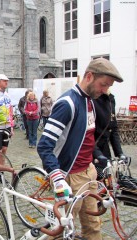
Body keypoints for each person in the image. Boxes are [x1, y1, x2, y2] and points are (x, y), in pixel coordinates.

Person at [37, 58, 123, 240]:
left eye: (108, 87)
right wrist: (57, 177)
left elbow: (87, 138)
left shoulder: (90, 101)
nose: (105, 90)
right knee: (61, 231)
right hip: (70, 177)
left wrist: (99, 157)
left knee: (93, 225)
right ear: (89, 76)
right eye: (103, 85)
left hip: (88, 173)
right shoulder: (67, 103)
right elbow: (44, 145)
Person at [92, 91, 127, 179]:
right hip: (91, 149)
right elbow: (86, 133)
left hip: (104, 149)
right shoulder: (92, 99)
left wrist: (120, 153)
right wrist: (97, 153)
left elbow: (113, 129)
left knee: (108, 180)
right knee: (95, 182)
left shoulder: (110, 98)